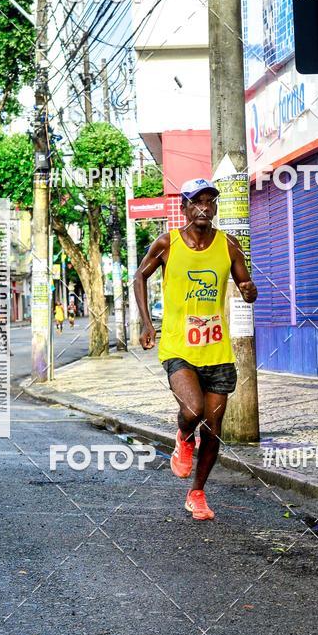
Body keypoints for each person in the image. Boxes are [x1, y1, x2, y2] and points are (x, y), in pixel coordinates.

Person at [134, 177, 257, 521]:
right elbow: (139, 277)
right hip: (179, 347)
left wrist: (249, 290)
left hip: (217, 351)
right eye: (196, 201)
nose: (204, 207)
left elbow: (246, 283)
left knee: (214, 428)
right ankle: (183, 435)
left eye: (209, 201)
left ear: (215, 208)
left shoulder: (228, 245)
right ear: (184, 208)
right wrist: (147, 323)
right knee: (193, 409)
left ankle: (197, 493)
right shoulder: (167, 244)